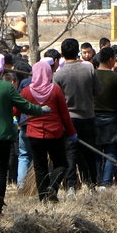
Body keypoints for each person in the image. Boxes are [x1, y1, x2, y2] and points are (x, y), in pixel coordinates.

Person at [0, 53, 48, 217]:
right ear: (1, 70)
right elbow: (25, 106)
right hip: (3, 137)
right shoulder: (7, 87)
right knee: (0, 172)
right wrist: (41, 110)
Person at [21, 60, 75, 202]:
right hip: (55, 134)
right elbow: (64, 114)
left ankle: (43, 198)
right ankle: (53, 187)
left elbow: (16, 109)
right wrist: (71, 132)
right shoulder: (55, 90)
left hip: (34, 134)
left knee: (40, 167)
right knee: (61, 163)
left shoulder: (26, 91)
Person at [54, 38, 102, 194]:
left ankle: (71, 186)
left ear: (62, 54)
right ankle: (92, 184)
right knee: (89, 153)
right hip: (88, 117)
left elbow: (55, 97)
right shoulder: (89, 70)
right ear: (78, 52)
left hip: (68, 119)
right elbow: (98, 91)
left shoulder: (59, 74)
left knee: (70, 153)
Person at [93, 47, 117, 190]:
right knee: (111, 151)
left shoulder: (92, 75)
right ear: (110, 60)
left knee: (96, 150)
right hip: (112, 119)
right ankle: (106, 182)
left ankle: (95, 181)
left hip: (93, 118)